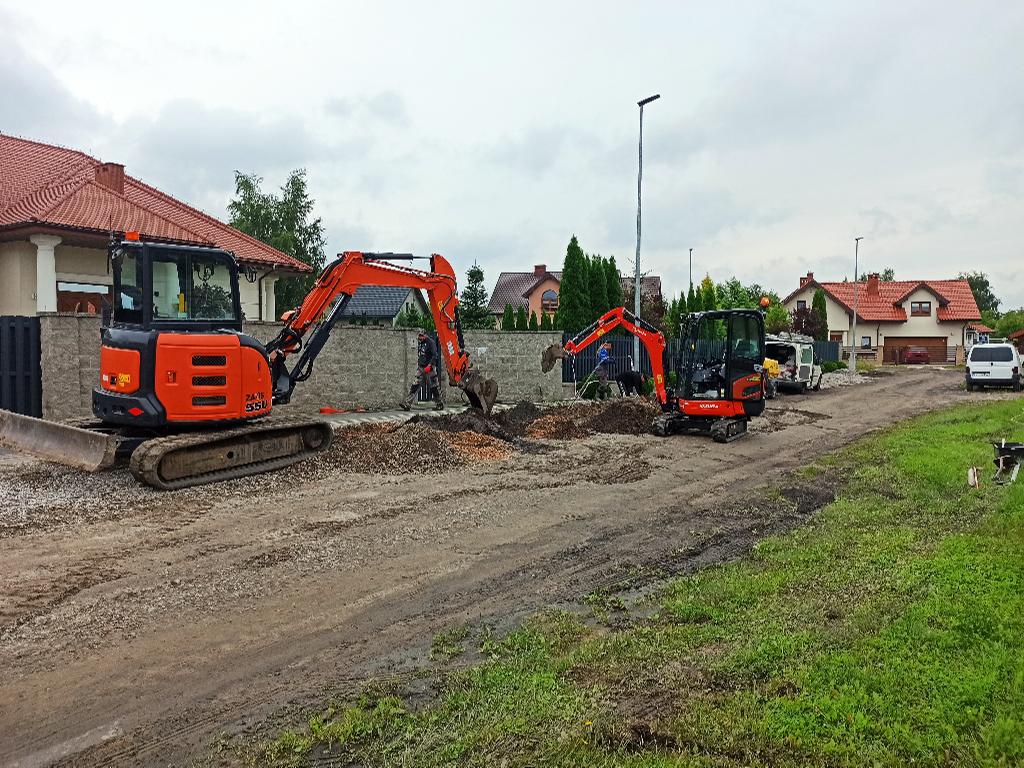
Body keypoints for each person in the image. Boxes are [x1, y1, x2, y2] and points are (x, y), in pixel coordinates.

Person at [402, 330, 444, 410]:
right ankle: (407, 404)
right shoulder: (421, 343)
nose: (420, 337)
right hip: (421, 368)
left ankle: (439, 403)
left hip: (429, 369)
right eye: (419, 336)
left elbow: (435, 355)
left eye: (421, 336)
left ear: (425, 335)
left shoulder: (431, 342)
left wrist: (430, 365)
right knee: (415, 385)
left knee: (434, 387)